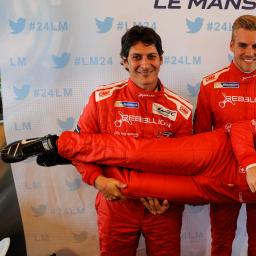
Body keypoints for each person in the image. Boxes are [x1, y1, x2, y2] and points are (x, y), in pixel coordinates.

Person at [0, 119, 256, 254]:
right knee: (139, 152)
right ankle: (56, 143)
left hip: (210, 191)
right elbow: (242, 127)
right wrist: (250, 164)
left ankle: (74, 157)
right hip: (212, 155)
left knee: (129, 185)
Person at [36, 25, 193, 256]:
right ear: (124, 61)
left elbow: (187, 164)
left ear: (161, 59)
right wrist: (98, 180)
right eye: (136, 57)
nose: (145, 65)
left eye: (151, 56)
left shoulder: (182, 110)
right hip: (116, 206)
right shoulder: (102, 99)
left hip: (163, 210)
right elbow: (80, 148)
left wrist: (168, 196)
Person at [193, 15, 256, 255]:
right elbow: (200, 138)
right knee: (221, 242)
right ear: (231, 45)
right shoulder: (210, 85)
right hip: (223, 179)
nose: (250, 52)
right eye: (243, 45)